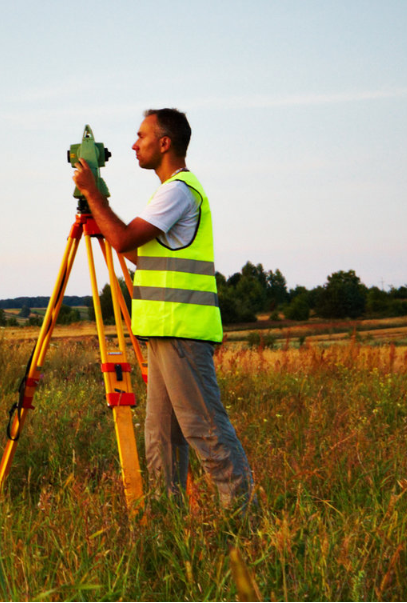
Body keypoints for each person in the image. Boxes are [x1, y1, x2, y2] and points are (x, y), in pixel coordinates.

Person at [72, 107, 255, 511]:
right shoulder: (171, 192)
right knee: (162, 440)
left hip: (182, 334)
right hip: (165, 334)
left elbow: (121, 241)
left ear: (165, 143)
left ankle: (246, 527)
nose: (134, 144)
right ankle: (167, 529)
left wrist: (92, 194)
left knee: (206, 432)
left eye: (142, 136)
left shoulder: (177, 190)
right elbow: (141, 254)